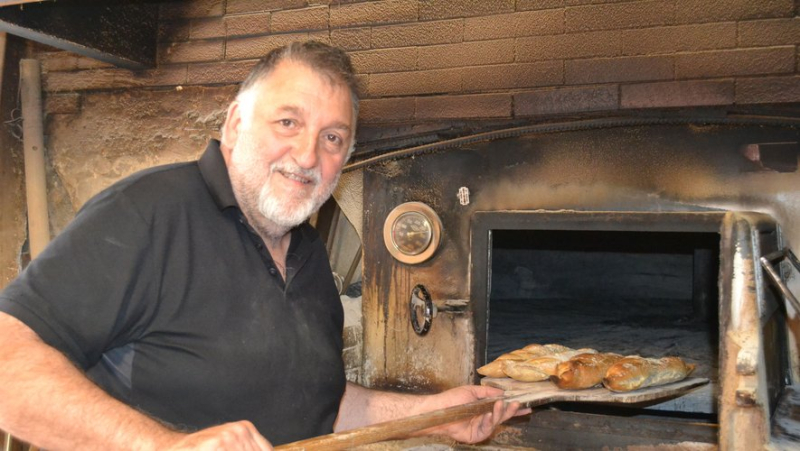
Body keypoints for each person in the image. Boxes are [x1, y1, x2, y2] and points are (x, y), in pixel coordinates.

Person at [0, 41, 525, 450]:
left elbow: (320, 407)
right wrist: (165, 445)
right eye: (288, 122)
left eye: (332, 137)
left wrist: (440, 415)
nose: (306, 155)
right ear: (234, 125)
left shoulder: (310, 256)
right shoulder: (148, 213)